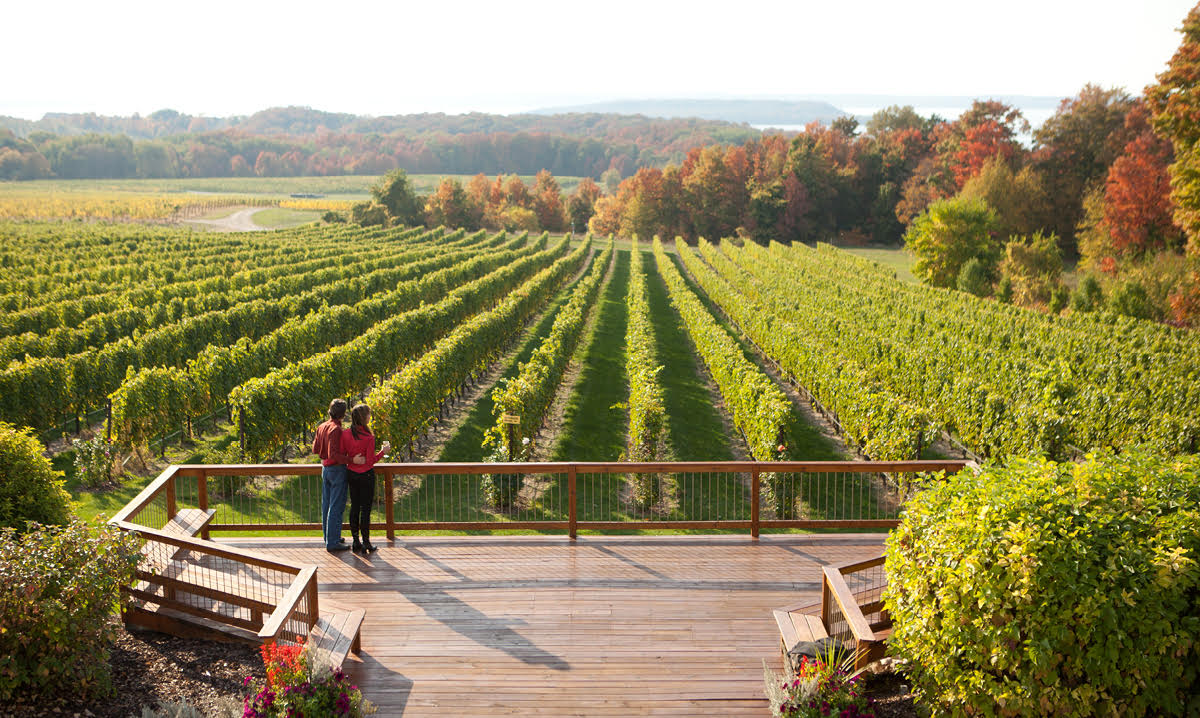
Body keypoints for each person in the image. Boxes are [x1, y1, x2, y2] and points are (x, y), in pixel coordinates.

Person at [312, 399, 365, 553]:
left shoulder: (322, 426)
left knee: (326, 504)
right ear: (343, 414)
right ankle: (333, 541)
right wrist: (351, 459)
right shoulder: (336, 429)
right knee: (336, 506)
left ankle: (329, 537)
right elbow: (334, 454)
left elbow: (315, 449)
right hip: (336, 470)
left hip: (325, 469)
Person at [339, 403, 390, 553]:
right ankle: (366, 542)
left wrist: (352, 459)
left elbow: (343, 454)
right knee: (365, 509)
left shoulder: (346, 434)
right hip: (366, 475)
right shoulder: (369, 437)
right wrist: (382, 452)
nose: (370, 416)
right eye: (368, 414)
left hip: (352, 474)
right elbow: (369, 461)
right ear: (363, 418)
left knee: (354, 507)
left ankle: (356, 541)